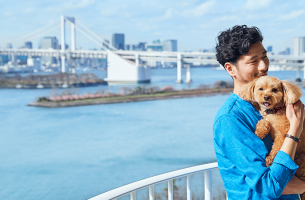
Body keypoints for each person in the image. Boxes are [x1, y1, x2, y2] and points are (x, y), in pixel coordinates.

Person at [213, 25, 305, 200]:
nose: (264, 66)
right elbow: (268, 185)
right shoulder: (230, 119)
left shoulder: (279, 103)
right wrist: (294, 129)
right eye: (253, 61)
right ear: (230, 69)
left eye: (265, 57)